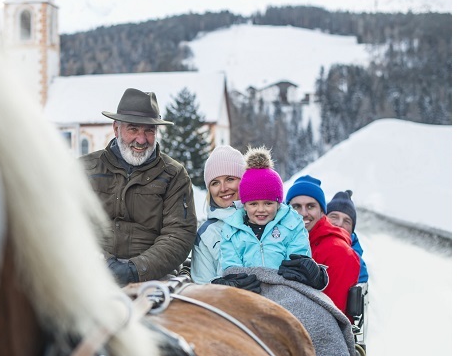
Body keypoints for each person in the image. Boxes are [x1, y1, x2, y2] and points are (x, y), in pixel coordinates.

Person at [81, 88, 196, 284]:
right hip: (88, 271)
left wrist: (135, 270)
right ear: (116, 128)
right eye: (133, 129)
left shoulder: (174, 175)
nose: (141, 140)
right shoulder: (84, 169)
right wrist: (103, 264)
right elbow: (67, 224)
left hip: (153, 276)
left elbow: (179, 234)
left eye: (149, 130)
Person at [215, 148, 325, 293]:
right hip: (249, 290)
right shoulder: (232, 230)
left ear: (278, 204)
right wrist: (233, 279)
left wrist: (303, 271)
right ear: (245, 205)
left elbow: (298, 257)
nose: (261, 210)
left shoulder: (292, 225)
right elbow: (230, 265)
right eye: (253, 204)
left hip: (285, 289)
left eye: (268, 203)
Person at [286, 176, 360, 319]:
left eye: (310, 206)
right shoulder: (280, 241)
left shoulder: (339, 252)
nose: (303, 213)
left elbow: (332, 314)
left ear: (322, 212)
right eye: (296, 206)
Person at [190, 144, 244, 285]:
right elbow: (202, 286)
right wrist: (222, 286)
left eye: (230, 179)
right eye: (215, 183)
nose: (223, 188)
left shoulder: (264, 217)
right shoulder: (206, 234)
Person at [325, 190, 369, 284]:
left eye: (347, 221)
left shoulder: (358, 264)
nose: (340, 224)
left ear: (352, 230)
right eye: (334, 217)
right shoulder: (307, 245)